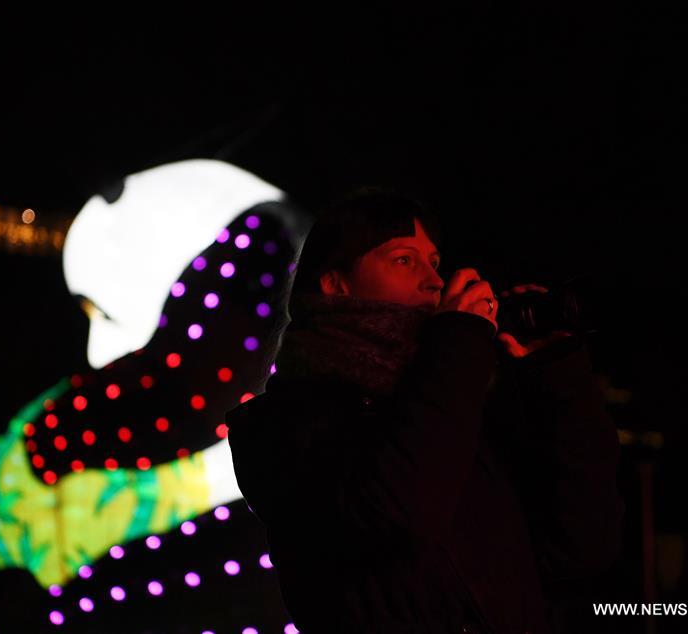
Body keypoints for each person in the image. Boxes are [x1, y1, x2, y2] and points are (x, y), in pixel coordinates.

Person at [225, 188, 625, 633]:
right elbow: (396, 514)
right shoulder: (275, 423)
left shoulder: (460, 397)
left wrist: (557, 378)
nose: (434, 281)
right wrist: (456, 344)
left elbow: (582, 546)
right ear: (335, 284)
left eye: (434, 262)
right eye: (403, 260)